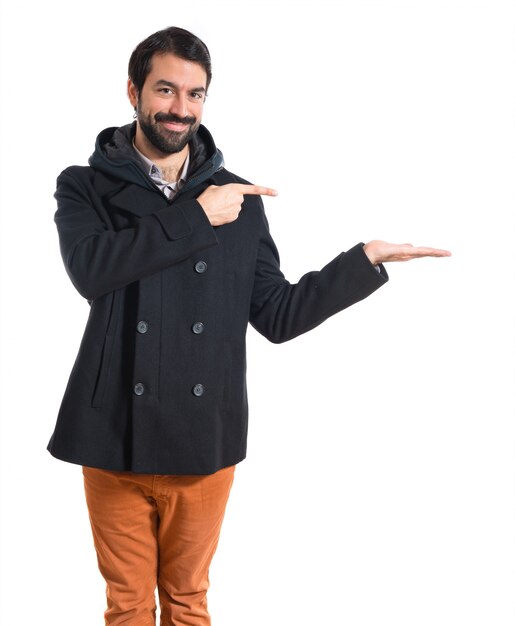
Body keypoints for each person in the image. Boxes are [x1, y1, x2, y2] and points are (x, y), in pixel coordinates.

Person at [48, 26, 451, 626]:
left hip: (200, 438)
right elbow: (90, 272)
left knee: (187, 603)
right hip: (112, 439)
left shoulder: (238, 199)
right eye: (165, 90)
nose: (181, 109)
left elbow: (278, 316)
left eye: (196, 94)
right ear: (133, 91)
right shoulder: (84, 185)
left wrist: (360, 262)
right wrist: (194, 217)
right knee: (127, 607)